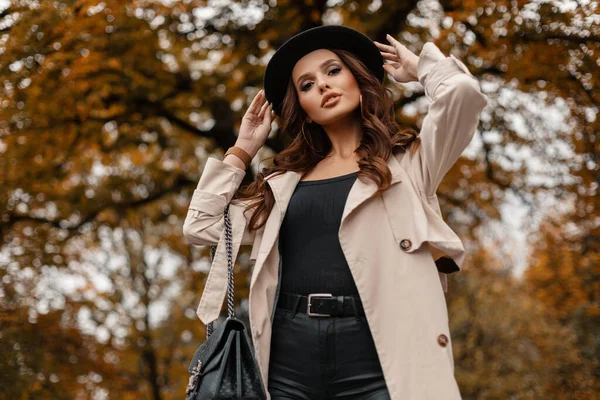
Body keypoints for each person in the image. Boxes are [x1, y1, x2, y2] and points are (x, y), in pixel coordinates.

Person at [183, 25, 488, 400]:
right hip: (288, 359)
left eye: (332, 71)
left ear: (359, 80)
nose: (323, 86)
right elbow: (201, 226)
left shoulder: (407, 165)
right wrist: (243, 148)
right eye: (306, 85)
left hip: (379, 351)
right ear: (304, 111)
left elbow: (463, 94)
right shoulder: (282, 184)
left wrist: (421, 66)